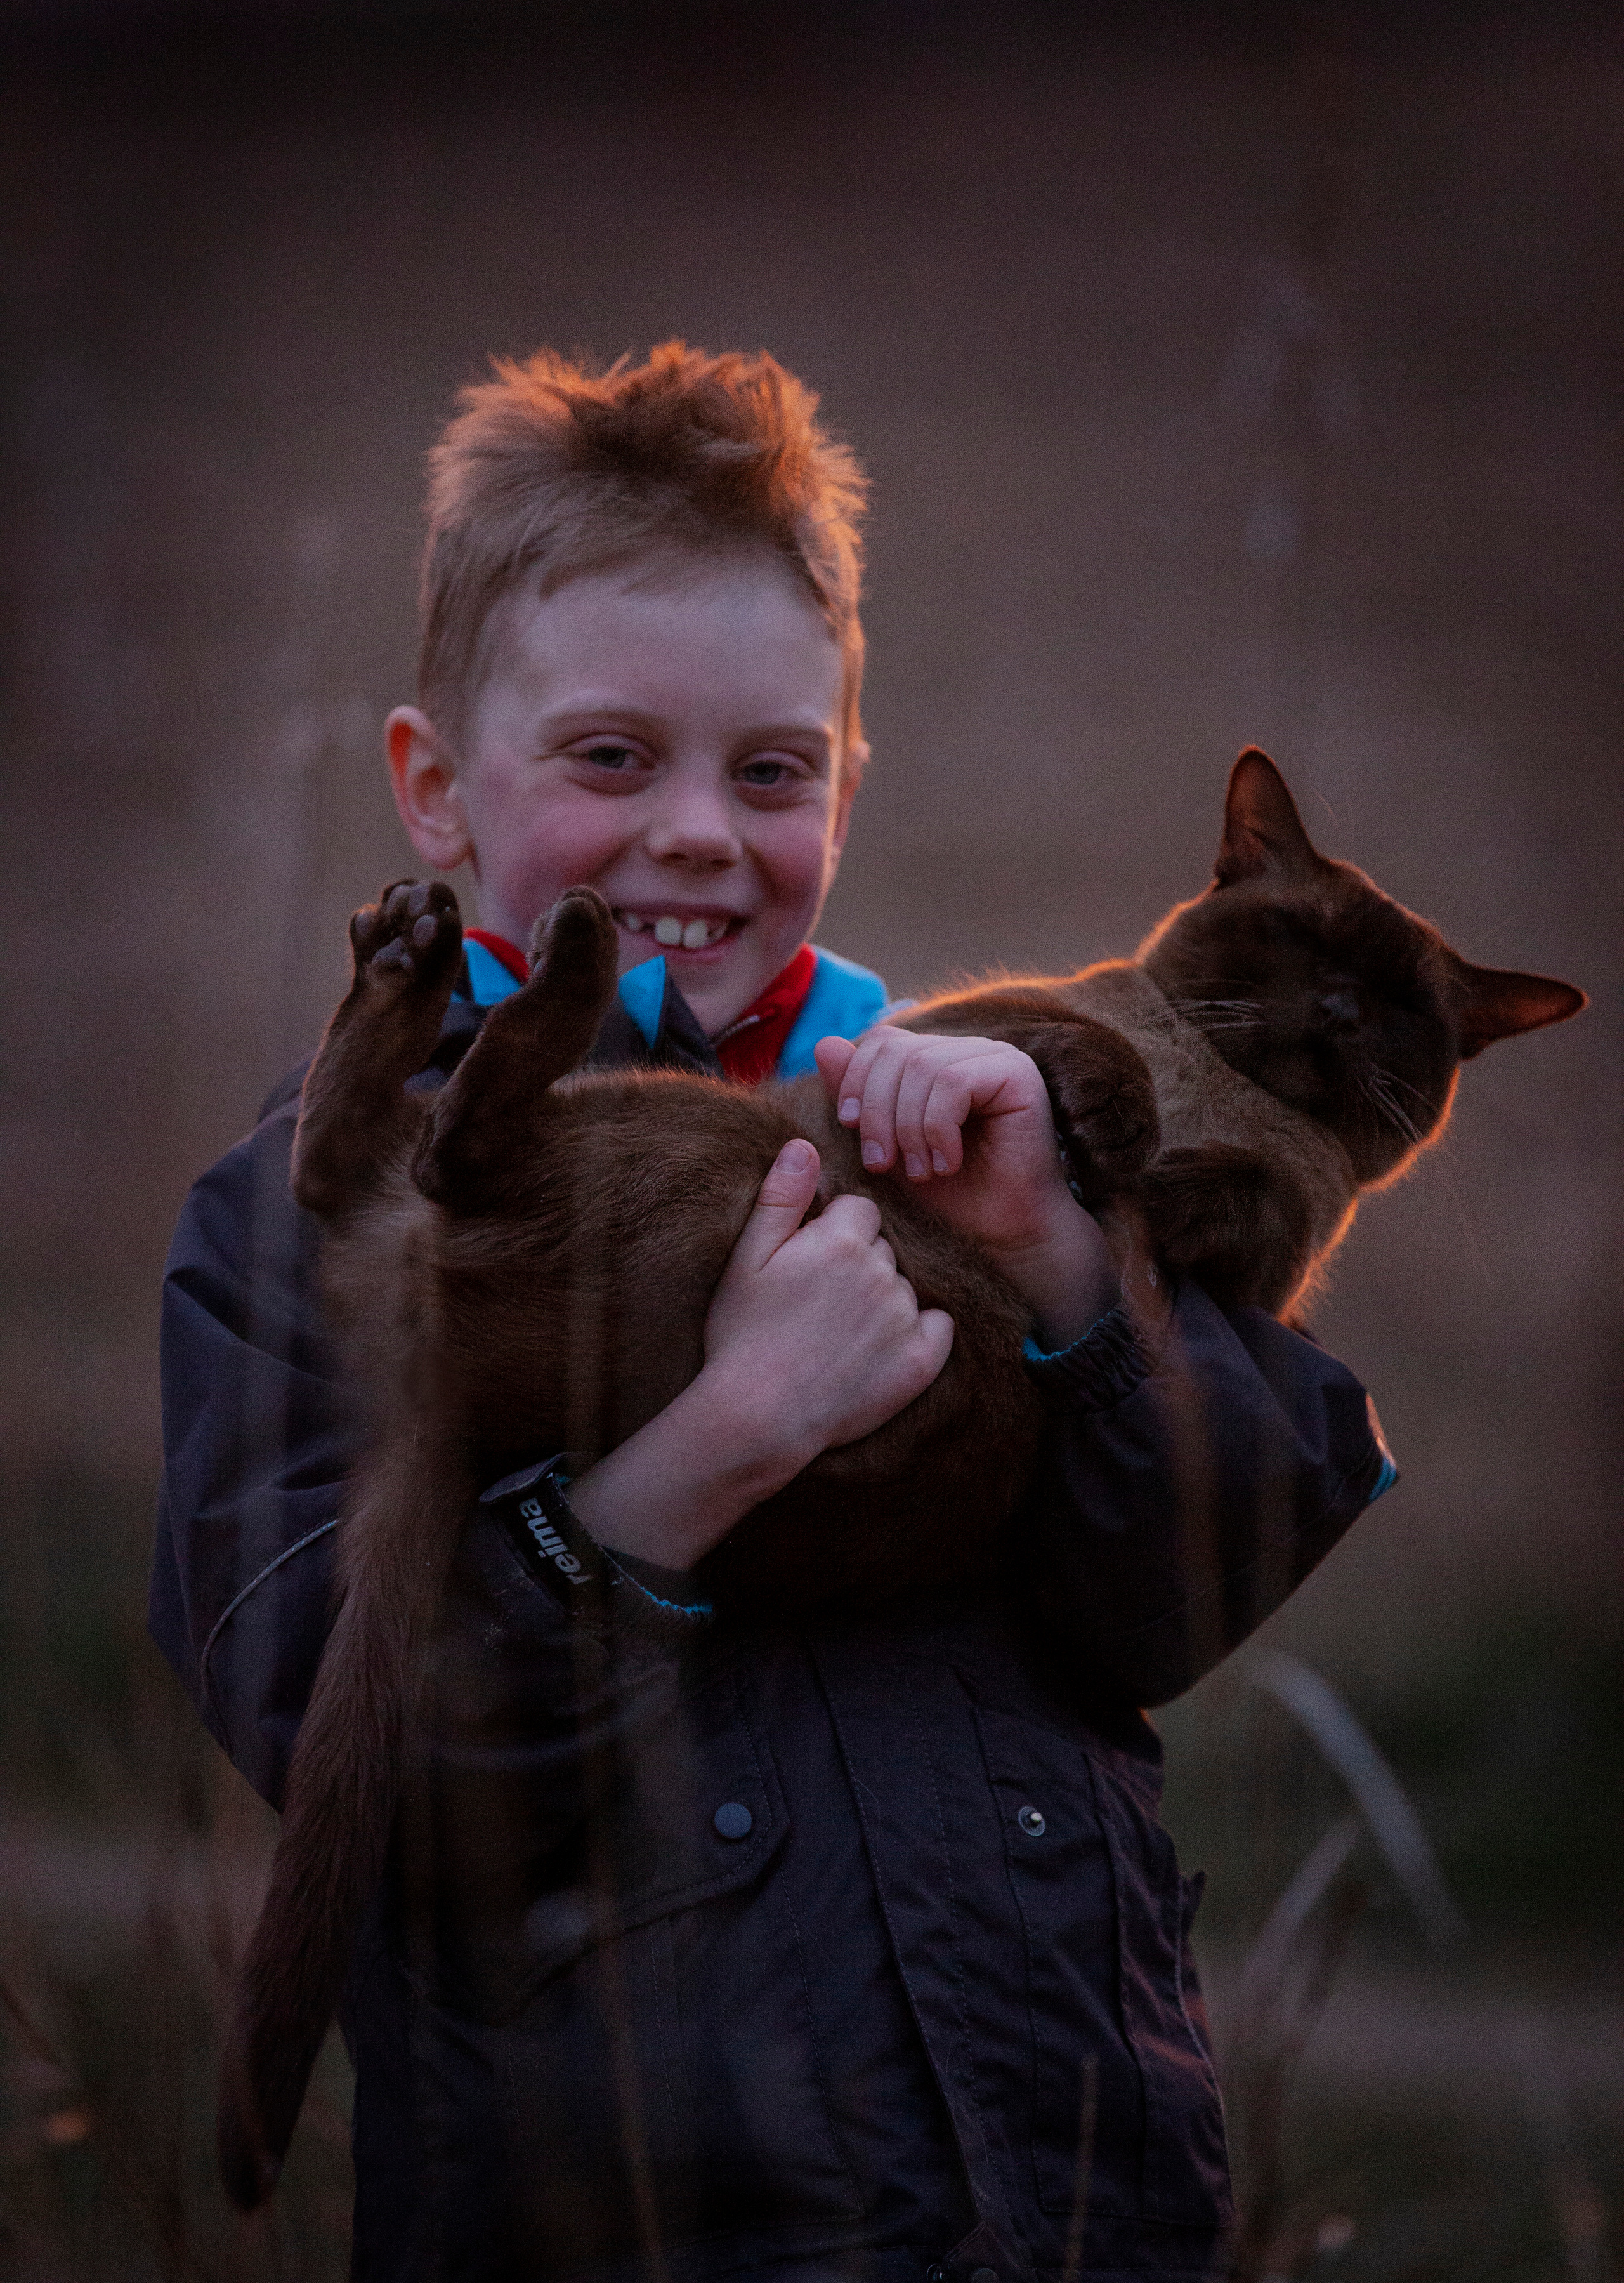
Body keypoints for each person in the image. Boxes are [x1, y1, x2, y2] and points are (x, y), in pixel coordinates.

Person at [151, 343, 1394, 2282]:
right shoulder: (283, 1229)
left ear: (846, 788)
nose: (700, 834)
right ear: (435, 789)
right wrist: (716, 1444)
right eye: (610, 759)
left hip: (1060, 2207)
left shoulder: (964, 1119)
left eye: (771, 771)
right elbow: (356, 1749)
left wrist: (1057, 1256)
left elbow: (1180, 1588)